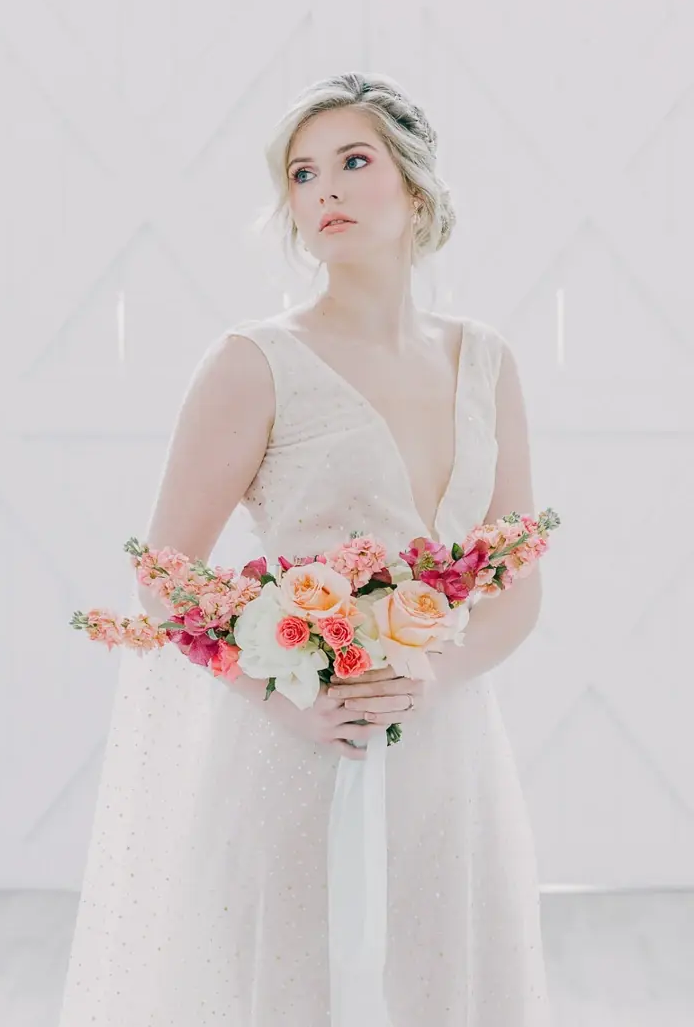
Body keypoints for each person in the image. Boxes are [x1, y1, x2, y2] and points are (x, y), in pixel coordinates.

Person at [57, 72, 551, 1026]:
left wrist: (434, 679)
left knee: (440, 985)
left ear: (415, 188)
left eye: (353, 161)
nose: (324, 188)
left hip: (448, 755)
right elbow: (164, 576)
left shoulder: (486, 361)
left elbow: (517, 584)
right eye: (302, 172)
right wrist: (288, 702)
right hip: (293, 754)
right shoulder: (254, 362)